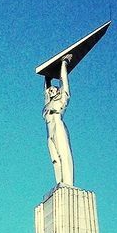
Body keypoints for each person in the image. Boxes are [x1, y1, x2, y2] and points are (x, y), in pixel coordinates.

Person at [42, 55, 74, 187]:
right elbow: (45, 90)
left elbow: (64, 82)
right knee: (55, 158)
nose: (50, 91)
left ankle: (68, 182)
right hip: (49, 130)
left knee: (63, 154)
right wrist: (46, 75)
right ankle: (60, 181)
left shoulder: (61, 99)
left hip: (58, 124)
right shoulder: (47, 104)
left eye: (53, 89)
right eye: (49, 90)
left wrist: (63, 64)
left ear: (58, 91)